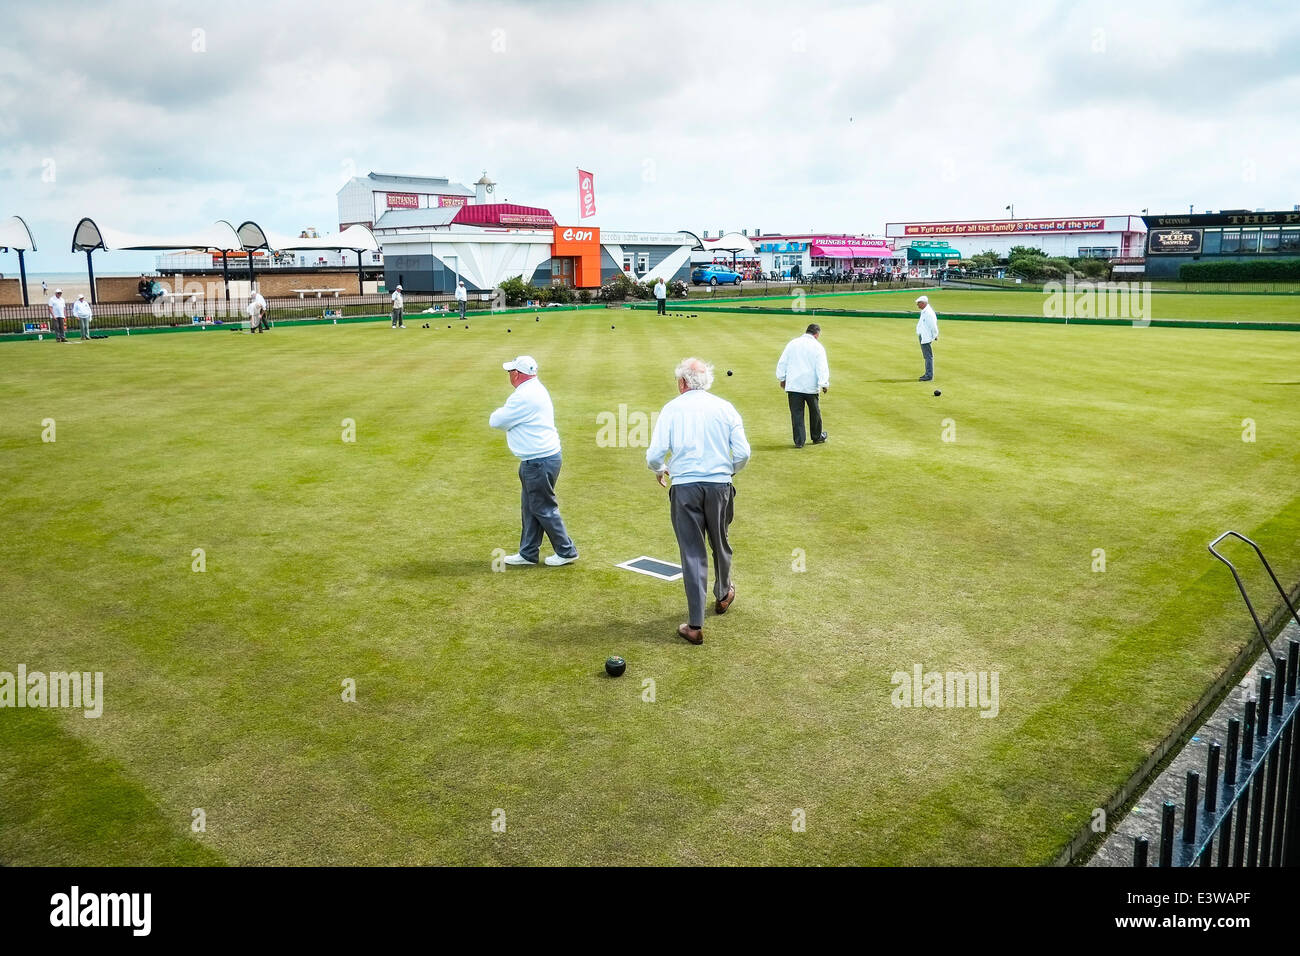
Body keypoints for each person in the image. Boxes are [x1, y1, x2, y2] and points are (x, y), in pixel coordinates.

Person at [647, 358, 751, 645]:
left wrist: (660, 469)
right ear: (706, 382)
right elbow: (743, 453)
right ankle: (723, 593)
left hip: (685, 487)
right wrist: (727, 472)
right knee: (720, 541)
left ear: (682, 383)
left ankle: (695, 624)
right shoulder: (725, 407)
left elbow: (655, 454)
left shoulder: (672, 408)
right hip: (719, 485)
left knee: (692, 554)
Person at [489, 355, 579, 568]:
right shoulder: (533, 389)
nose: (509, 375)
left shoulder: (524, 396)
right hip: (538, 458)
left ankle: (566, 551)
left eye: (511, 371)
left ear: (517, 374)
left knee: (543, 507)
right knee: (531, 506)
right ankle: (528, 552)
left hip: (539, 461)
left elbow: (496, 421)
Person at [776, 323, 830, 447]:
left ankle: (799, 441)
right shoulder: (818, 347)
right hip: (811, 386)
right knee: (815, 412)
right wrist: (824, 383)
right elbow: (822, 366)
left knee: (796, 413)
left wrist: (782, 378)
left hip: (794, 385)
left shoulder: (792, 344)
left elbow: (783, 362)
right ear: (816, 334)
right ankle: (817, 436)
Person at [915, 295, 939, 381]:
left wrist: (935, 335)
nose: (917, 305)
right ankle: (927, 374)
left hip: (926, 337)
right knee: (927, 356)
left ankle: (929, 375)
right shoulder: (924, 311)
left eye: (919, 304)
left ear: (923, 303)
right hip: (923, 336)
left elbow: (933, 325)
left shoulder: (929, 312)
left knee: (928, 356)